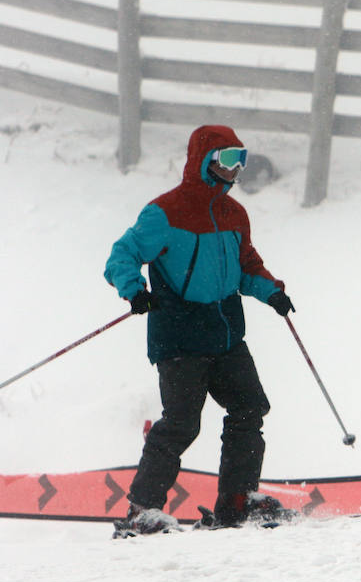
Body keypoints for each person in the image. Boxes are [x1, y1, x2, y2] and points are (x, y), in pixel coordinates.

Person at [104, 124, 295, 536]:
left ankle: (236, 502)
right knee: (182, 423)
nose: (236, 168)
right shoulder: (165, 212)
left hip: (226, 333)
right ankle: (142, 512)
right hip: (179, 334)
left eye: (241, 158)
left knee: (249, 408)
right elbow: (123, 254)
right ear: (205, 160)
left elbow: (247, 267)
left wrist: (271, 293)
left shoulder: (234, 214)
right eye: (228, 158)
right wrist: (135, 290)